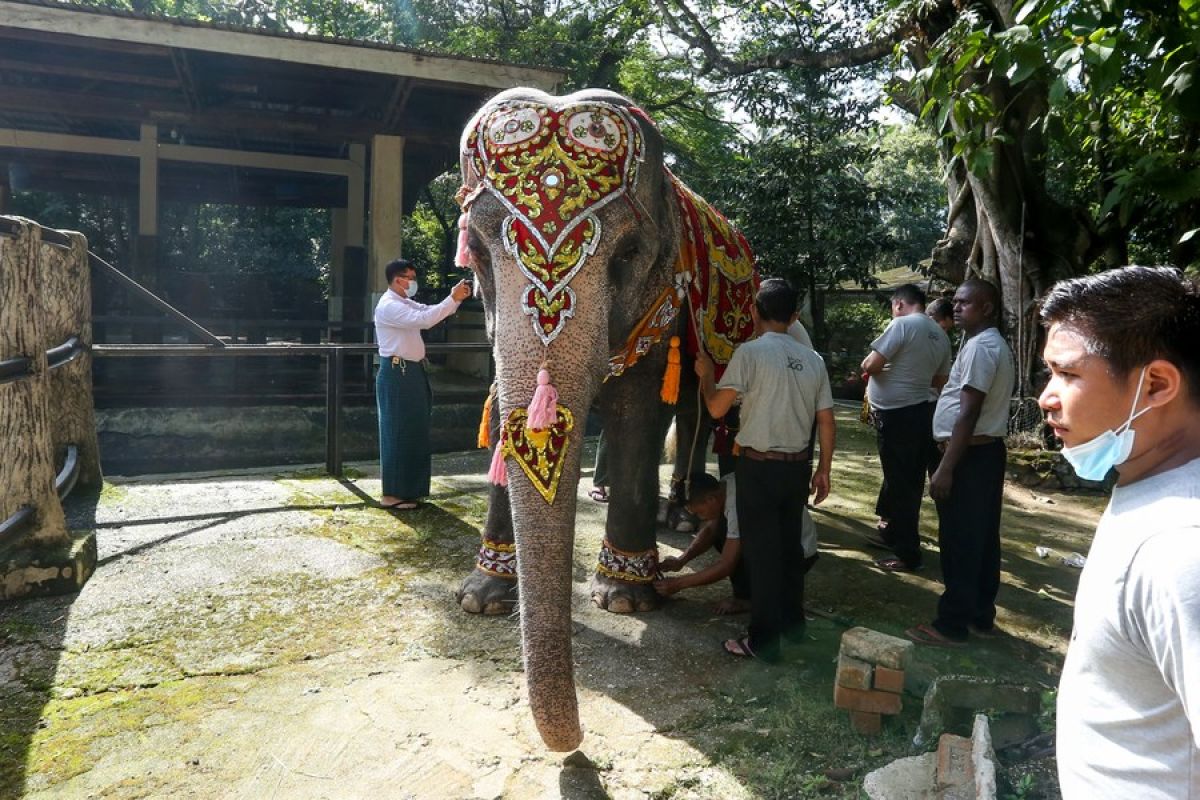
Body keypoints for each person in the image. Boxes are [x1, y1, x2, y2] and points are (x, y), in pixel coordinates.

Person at [1036, 266, 1200, 797]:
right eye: (1049, 373)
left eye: (1068, 374)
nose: (1047, 397)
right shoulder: (1153, 485)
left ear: (1155, 384)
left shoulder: (1178, 548)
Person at [696, 278, 835, 662]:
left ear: (755, 312)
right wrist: (824, 469)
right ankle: (793, 627)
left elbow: (716, 409)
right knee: (790, 550)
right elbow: (826, 420)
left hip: (757, 467)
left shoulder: (750, 353)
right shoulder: (815, 360)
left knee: (762, 554)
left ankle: (762, 641)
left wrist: (706, 374)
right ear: (794, 317)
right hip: (797, 469)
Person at [906, 279, 1014, 646]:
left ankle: (951, 623)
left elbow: (968, 412)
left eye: (966, 303)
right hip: (980, 454)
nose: (957, 307)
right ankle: (980, 614)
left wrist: (947, 467)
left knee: (961, 541)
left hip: (969, 455)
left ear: (987, 308)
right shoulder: (981, 344)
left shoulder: (983, 347)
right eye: (955, 302)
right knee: (980, 538)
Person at [860, 284, 951, 572]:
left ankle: (907, 553)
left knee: (902, 486)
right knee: (907, 481)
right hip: (924, 413)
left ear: (899, 304)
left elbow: (872, 364)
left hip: (898, 417)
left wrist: (880, 369)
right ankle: (894, 534)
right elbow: (940, 381)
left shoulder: (902, 325)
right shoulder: (941, 335)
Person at [374, 258, 471, 509]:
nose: (413, 282)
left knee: (413, 431)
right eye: (410, 277)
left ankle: (408, 490)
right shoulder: (389, 306)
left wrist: (454, 299)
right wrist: (453, 298)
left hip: (411, 371)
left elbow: (428, 311)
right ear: (398, 279)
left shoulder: (403, 302)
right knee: (398, 432)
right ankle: (392, 494)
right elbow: (426, 320)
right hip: (398, 373)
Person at [653, 472, 819, 615]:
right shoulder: (725, 484)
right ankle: (752, 594)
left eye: (699, 512)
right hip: (781, 544)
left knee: (734, 547)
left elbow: (726, 566)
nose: (700, 517)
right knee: (722, 533)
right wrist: (682, 560)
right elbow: (711, 530)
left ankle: (749, 600)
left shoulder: (738, 506)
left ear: (711, 499)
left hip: (795, 557)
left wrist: (678, 584)